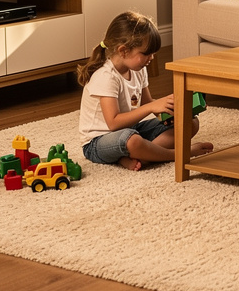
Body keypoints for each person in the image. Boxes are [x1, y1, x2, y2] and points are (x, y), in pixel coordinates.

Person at [78, 11, 213, 171]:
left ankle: (140, 155)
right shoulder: (106, 77)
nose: (152, 58)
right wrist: (151, 107)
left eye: (153, 53)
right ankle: (179, 154)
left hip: (130, 130)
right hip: (98, 141)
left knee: (190, 123)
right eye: (146, 53)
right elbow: (113, 123)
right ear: (123, 51)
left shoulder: (138, 69)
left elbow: (148, 103)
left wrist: (173, 109)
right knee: (133, 140)